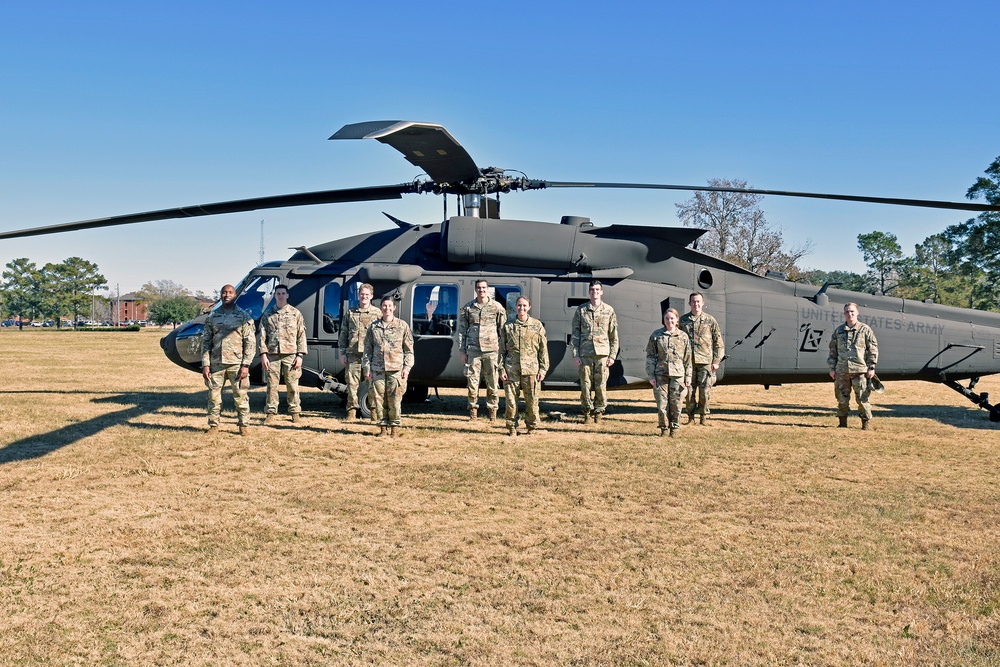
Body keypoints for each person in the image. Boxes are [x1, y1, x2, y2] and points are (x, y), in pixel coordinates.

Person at [201, 284, 256, 436]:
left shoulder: (243, 316)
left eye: (230, 292)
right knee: (213, 397)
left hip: (236, 364)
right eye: (224, 292)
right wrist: (206, 364)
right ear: (221, 295)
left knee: (241, 396)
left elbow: (250, 343)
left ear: (235, 294)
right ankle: (213, 425)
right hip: (216, 364)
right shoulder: (212, 316)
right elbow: (206, 342)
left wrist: (245, 365)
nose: (227, 294)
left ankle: (243, 425)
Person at [362, 297, 414, 437]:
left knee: (395, 399)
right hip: (377, 369)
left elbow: (409, 350)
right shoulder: (374, 327)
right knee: (379, 399)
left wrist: (406, 368)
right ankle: (383, 429)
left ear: (394, 307)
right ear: (381, 307)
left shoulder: (402, 326)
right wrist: (367, 368)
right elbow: (367, 350)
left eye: (390, 306)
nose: (387, 308)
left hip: (396, 370)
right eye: (384, 306)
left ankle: (394, 429)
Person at [498, 296, 549, 436]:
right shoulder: (508, 326)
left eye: (524, 306)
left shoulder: (537, 325)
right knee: (511, 402)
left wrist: (543, 369)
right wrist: (501, 369)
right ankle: (512, 427)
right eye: (519, 305)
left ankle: (531, 427)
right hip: (511, 370)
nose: (522, 308)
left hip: (531, 370)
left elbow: (543, 349)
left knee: (532, 401)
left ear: (529, 307)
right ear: (515, 306)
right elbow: (501, 350)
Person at [571, 280, 619, 424]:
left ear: (602, 292)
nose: (595, 292)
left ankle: (599, 411)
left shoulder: (609, 310)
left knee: (601, 385)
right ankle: (586, 412)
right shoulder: (581, 310)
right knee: (585, 385)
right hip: (585, 354)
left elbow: (613, 335)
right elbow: (575, 334)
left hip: (602, 354)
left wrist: (612, 355)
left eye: (597, 290)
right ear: (589, 292)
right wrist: (575, 354)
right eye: (592, 290)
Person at [458, 279, 506, 422]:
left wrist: (502, 351)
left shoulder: (497, 307)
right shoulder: (468, 308)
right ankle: (473, 412)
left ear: (487, 289)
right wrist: (462, 351)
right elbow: (462, 330)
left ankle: (493, 411)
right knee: (472, 382)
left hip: (491, 351)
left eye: (484, 288)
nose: (481, 290)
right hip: (473, 351)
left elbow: (502, 331)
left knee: (492, 382)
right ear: (475, 289)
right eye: (479, 288)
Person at [259, 284, 307, 425]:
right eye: (278, 293)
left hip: (290, 355)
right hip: (272, 355)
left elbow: (301, 335)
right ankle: (271, 412)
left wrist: (300, 355)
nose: (280, 296)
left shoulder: (295, 313)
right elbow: (262, 336)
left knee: (292, 385)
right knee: (271, 385)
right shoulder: (268, 315)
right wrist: (263, 355)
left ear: (287, 295)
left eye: (283, 293)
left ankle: (295, 412)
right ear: (275, 296)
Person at [828, 302, 879, 430]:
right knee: (841, 399)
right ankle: (842, 423)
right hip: (842, 370)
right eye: (847, 312)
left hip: (860, 371)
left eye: (852, 311)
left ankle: (865, 423)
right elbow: (833, 351)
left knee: (862, 399)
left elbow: (873, 349)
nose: (849, 314)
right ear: (844, 314)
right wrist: (832, 368)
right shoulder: (838, 331)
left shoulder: (865, 330)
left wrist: (871, 367)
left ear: (857, 313)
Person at [680, 291, 725, 425]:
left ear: (703, 303)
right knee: (689, 392)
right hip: (688, 363)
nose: (696, 304)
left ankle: (703, 417)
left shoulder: (710, 321)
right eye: (693, 301)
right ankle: (690, 417)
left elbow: (719, 343)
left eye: (698, 301)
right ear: (689, 303)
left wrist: (716, 361)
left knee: (705, 392)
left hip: (705, 363)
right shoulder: (682, 321)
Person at [646, 308, 692, 437]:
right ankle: (664, 428)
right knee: (662, 404)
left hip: (678, 375)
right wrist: (651, 375)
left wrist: (688, 376)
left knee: (676, 404)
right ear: (663, 320)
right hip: (661, 375)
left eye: (672, 318)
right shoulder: (656, 335)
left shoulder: (683, 337)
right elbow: (650, 356)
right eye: (667, 318)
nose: (669, 321)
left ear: (677, 320)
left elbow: (688, 359)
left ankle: (674, 428)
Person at [339, 282, 380, 421]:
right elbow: (343, 333)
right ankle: (351, 412)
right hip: (353, 354)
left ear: (372, 296)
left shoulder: (377, 313)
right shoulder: (350, 312)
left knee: (372, 384)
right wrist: (342, 352)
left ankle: (374, 412)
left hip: (370, 356)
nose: (364, 297)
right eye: (362, 294)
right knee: (351, 384)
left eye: (367, 294)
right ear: (358, 295)